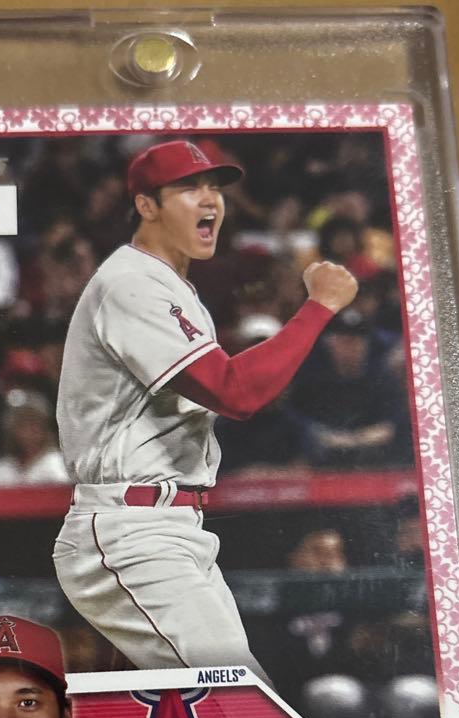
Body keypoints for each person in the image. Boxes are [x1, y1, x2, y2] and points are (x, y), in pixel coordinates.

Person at [54, 139, 359, 675]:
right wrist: (318, 307)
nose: (210, 199)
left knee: (221, 704)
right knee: (239, 701)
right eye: (188, 188)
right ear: (146, 206)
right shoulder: (131, 284)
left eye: (215, 187)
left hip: (169, 524)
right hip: (130, 530)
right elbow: (235, 391)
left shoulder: (172, 288)